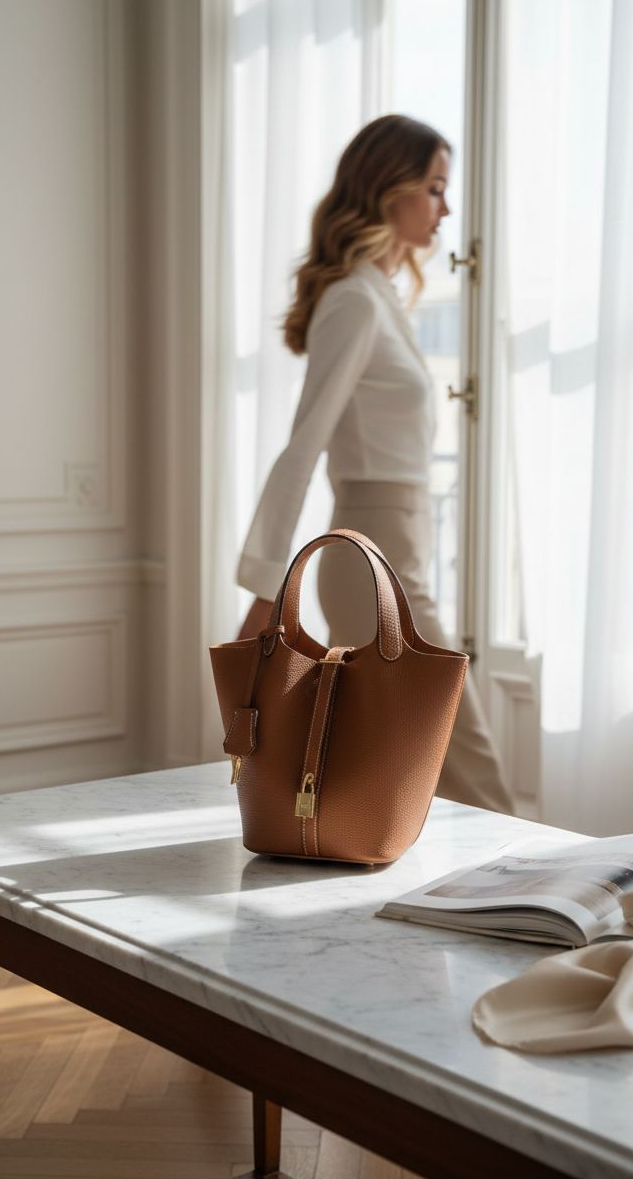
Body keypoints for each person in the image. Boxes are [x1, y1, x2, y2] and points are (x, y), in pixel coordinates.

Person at [236, 114, 513, 813]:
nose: (446, 207)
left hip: (399, 550)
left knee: (382, 761)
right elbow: (303, 446)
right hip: (373, 554)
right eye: (435, 187)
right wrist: (267, 590)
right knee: (465, 752)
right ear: (390, 190)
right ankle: (554, 906)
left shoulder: (382, 298)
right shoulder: (355, 301)